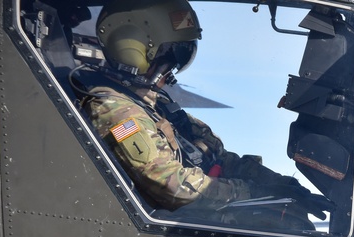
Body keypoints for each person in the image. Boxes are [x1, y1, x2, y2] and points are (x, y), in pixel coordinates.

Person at [73, 0, 327, 222]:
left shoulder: (158, 107)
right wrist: (253, 193)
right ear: (134, 50)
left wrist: (285, 186)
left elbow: (221, 159)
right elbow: (171, 185)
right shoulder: (116, 111)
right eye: (168, 60)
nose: (169, 74)